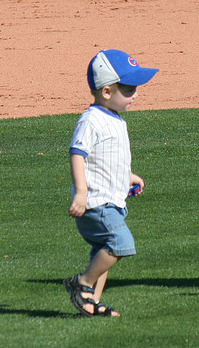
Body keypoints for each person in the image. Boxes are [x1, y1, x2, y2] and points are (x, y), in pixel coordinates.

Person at [64, 49, 158, 317]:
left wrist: (128, 177)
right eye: (129, 89)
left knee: (101, 255)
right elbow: (78, 154)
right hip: (96, 203)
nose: (136, 94)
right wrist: (81, 193)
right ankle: (81, 284)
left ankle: (90, 302)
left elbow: (108, 159)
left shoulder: (114, 119)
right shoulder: (91, 120)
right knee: (120, 243)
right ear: (106, 92)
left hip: (112, 202)